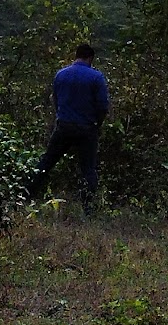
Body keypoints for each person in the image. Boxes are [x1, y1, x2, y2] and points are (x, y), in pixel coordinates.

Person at [30, 43, 109, 212]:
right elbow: (103, 106)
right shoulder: (96, 77)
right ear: (90, 58)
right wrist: (97, 123)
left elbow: (56, 100)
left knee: (46, 163)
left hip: (64, 126)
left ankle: (26, 195)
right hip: (87, 128)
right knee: (88, 169)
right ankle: (87, 208)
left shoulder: (61, 75)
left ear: (76, 56)